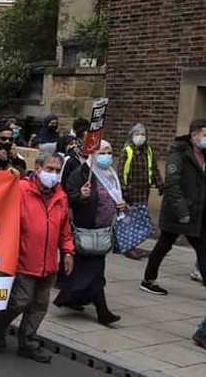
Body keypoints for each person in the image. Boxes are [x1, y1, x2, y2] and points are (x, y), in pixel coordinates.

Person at [0, 152, 75, 363]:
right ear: (37, 168)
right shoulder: (20, 190)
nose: (53, 174)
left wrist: (68, 251)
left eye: (57, 170)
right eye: (49, 169)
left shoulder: (60, 197)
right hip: (24, 259)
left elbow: (64, 229)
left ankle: (27, 342)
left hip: (48, 263)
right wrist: (5, 176)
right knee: (20, 301)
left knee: (39, 305)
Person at [54, 140, 123, 325]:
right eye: (102, 152)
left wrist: (120, 205)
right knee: (95, 272)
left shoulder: (110, 174)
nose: (106, 155)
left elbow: (115, 196)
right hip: (87, 230)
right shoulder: (81, 173)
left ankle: (69, 297)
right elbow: (68, 198)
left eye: (109, 151)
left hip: (104, 230)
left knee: (87, 271)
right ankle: (103, 311)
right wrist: (81, 196)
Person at [141, 119, 206, 295]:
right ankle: (148, 280)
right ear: (194, 135)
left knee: (201, 247)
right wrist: (182, 210)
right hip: (179, 211)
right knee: (165, 243)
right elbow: (172, 183)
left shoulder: (203, 154)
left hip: (197, 211)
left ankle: (148, 279)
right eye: (205, 135)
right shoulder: (179, 152)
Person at [117, 123, 162, 260]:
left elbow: (153, 168)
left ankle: (130, 245)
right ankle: (128, 247)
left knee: (140, 221)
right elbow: (121, 172)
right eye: (137, 134)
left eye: (143, 134)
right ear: (131, 135)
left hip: (143, 191)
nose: (140, 137)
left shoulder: (148, 150)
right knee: (130, 221)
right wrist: (123, 190)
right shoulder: (127, 151)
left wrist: (160, 184)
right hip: (130, 192)